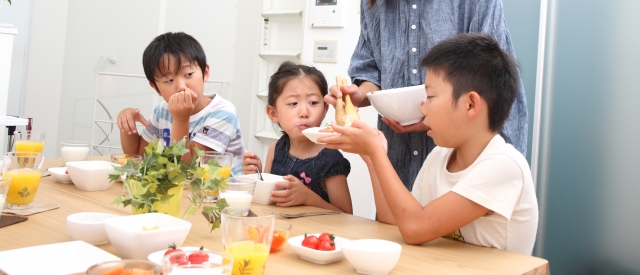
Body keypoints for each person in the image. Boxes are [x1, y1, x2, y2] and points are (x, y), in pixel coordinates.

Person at [326, 0, 528, 190]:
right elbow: (371, 77)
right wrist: (357, 95)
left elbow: (493, 76)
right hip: (399, 166)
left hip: (464, 163)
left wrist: (437, 116)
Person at [322, 33, 538, 254]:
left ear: (471, 104)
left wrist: (377, 153)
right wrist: (372, 160)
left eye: (431, 97)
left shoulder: (504, 166)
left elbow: (415, 228)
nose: (423, 109)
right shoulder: (440, 156)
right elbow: (396, 221)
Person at [117, 32, 245, 175]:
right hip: (182, 193)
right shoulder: (162, 111)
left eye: (189, 74)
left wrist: (180, 119)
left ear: (205, 72)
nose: (181, 86)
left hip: (221, 194)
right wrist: (127, 124)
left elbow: (188, 171)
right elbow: (139, 156)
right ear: (155, 87)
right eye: (169, 80)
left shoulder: (223, 113)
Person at [242, 61, 353, 214]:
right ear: (273, 113)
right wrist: (256, 177)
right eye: (293, 103)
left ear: (325, 110)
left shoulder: (330, 159)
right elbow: (268, 201)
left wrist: (309, 198)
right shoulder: (276, 149)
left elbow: (346, 216)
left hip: (316, 235)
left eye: (313, 102)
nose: (304, 112)